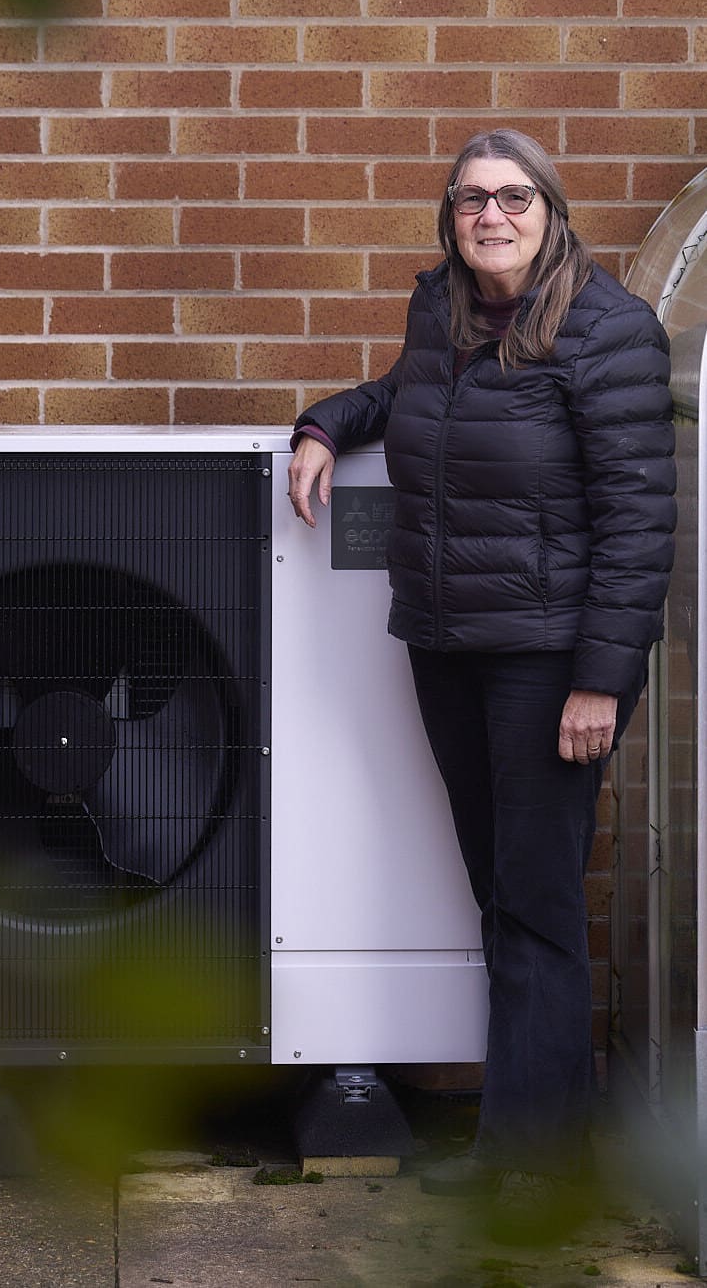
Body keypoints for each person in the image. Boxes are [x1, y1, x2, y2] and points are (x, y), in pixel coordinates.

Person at [287, 129, 676, 1244]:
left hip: (551, 661)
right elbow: (400, 396)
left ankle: (537, 1166)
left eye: (510, 198)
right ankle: (525, 1148)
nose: (488, 217)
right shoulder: (442, 316)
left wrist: (599, 682)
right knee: (499, 897)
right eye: (467, 201)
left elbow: (636, 526)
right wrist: (325, 424)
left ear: (548, 211)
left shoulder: (607, 333)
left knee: (539, 904)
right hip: (447, 646)